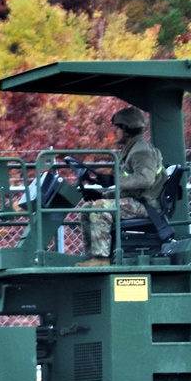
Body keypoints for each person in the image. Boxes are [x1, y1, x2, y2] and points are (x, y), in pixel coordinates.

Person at [77, 107, 166, 267]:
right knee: (87, 208)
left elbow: (145, 179)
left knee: (98, 209)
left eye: (117, 128)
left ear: (126, 129)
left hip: (146, 205)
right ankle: (91, 256)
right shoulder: (131, 149)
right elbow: (128, 187)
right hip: (135, 202)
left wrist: (113, 180)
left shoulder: (141, 151)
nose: (115, 132)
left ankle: (101, 259)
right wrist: (102, 196)